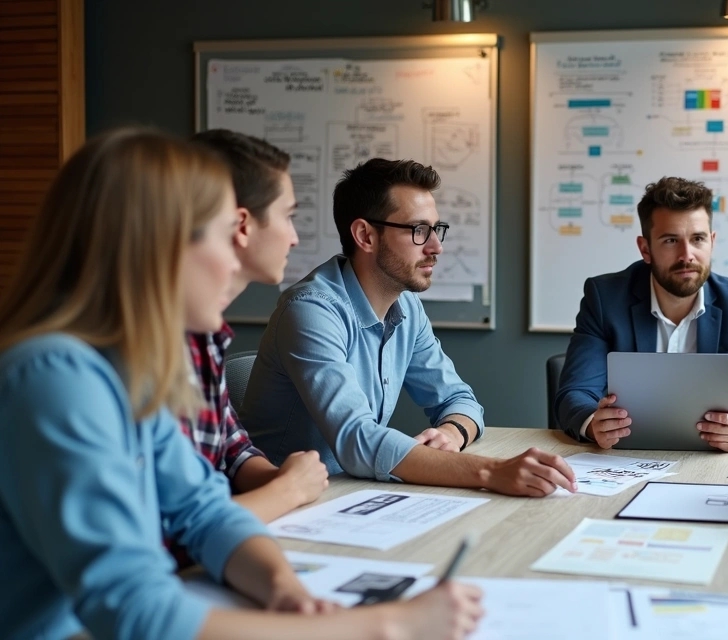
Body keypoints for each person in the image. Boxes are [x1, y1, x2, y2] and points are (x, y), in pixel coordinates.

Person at [0, 129, 482, 639]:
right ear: (156, 244)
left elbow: (202, 511)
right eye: (221, 235)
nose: (235, 261)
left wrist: (282, 587)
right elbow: (135, 612)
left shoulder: (132, 368)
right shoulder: (56, 379)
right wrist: (379, 626)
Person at [241, 158, 576, 497]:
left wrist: (451, 433)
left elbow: (460, 400)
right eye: (418, 231)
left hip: (352, 493)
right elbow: (358, 441)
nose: (436, 247)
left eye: (436, 229)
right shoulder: (312, 310)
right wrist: (491, 471)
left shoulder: (406, 307)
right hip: (285, 504)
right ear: (365, 236)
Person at [555, 176, 728, 451]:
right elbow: (573, 394)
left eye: (698, 239)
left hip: (711, 460)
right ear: (645, 249)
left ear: (712, 242)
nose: (687, 255)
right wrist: (593, 423)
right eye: (671, 240)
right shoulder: (605, 298)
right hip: (622, 457)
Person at [183, 129, 328, 524]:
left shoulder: (204, 335)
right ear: (241, 226)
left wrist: (281, 481)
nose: (295, 238)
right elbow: (179, 526)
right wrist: (288, 490)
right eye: (289, 216)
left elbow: (227, 448)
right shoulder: (85, 363)